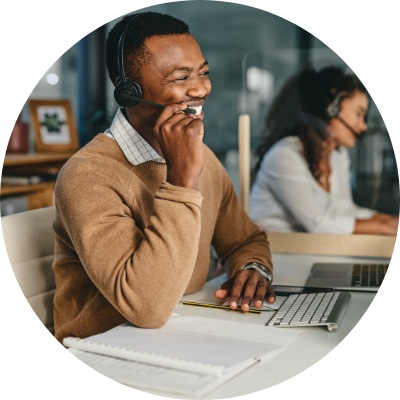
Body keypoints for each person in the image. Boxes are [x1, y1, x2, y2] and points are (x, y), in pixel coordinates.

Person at [52, 11, 275, 343]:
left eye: (203, 72)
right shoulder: (88, 176)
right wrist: (182, 181)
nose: (201, 88)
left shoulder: (204, 158)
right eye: (180, 77)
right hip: (104, 349)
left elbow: (245, 240)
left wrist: (252, 267)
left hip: (183, 330)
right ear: (129, 91)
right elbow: (146, 308)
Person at [250, 66, 398, 235]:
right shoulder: (284, 156)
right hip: (276, 254)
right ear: (331, 109)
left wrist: (387, 220)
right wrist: (385, 226)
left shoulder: (337, 156)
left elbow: (343, 211)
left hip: (312, 251)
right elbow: (319, 224)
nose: (363, 126)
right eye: (358, 114)